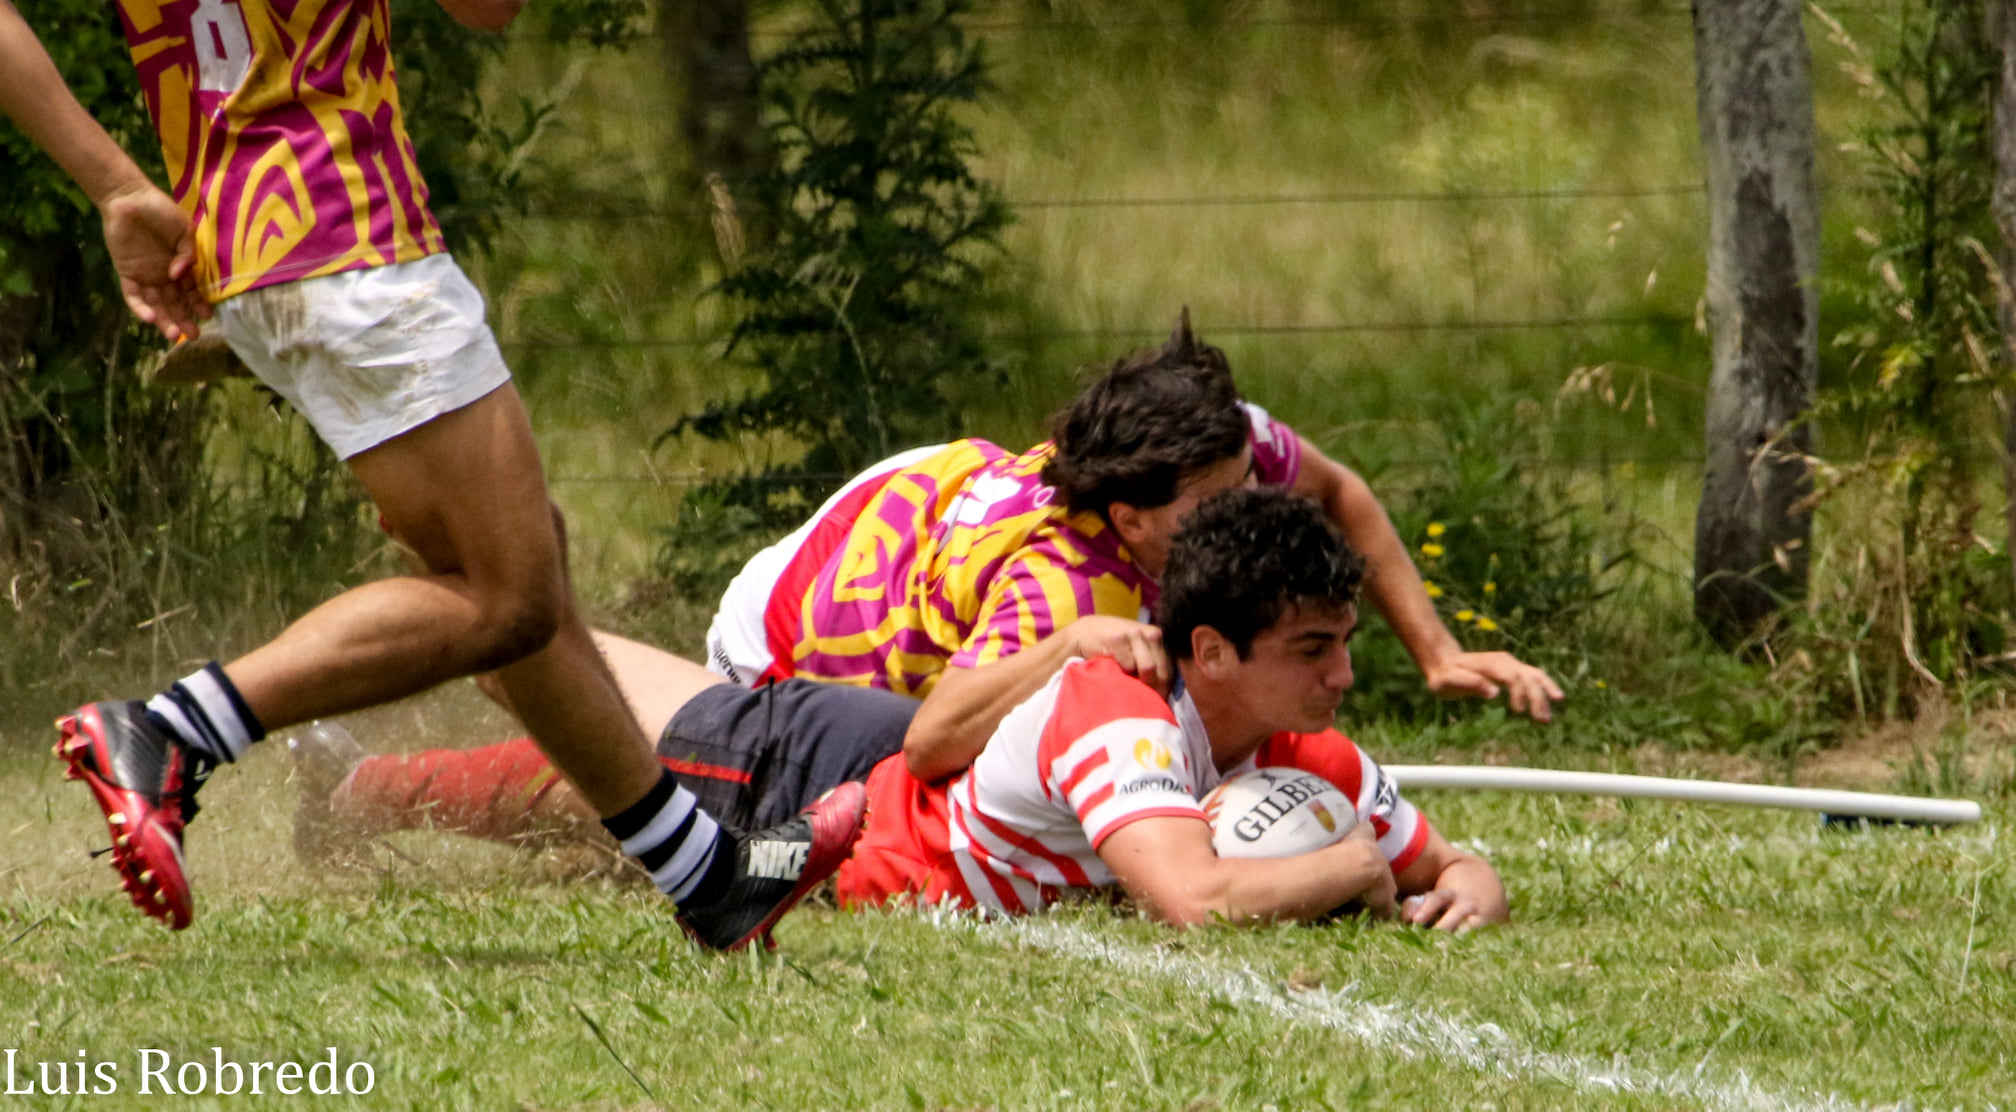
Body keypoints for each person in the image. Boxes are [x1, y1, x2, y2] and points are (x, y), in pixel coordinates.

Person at [0, 0, 861, 949]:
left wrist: (118, 187)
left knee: (533, 563)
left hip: (252, 240)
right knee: (509, 602)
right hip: (349, 237)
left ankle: (707, 875)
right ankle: (170, 732)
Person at [297, 489, 1508, 932]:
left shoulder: (1304, 746)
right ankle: (378, 751)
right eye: (1314, 651)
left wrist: (1464, 881)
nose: (1345, 679)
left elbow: (1454, 864)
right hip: (823, 818)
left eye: (1345, 647)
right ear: (1210, 649)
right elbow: (1196, 897)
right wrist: (1352, 869)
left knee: (601, 827)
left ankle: (420, 713)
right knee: (593, 766)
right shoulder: (1118, 707)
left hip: (871, 766)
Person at [705, 314, 1563, 784]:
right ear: (1130, 521)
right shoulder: (1065, 591)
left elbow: (1339, 493)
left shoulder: (1227, 448)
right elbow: (933, 742)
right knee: (909, 773)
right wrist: (1067, 648)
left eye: (1248, 485)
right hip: (775, 645)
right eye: (1215, 507)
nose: (1249, 511)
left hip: (910, 513)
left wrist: (1438, 653)